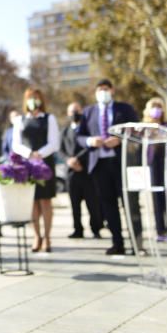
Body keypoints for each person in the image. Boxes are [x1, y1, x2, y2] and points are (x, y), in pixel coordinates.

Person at [77, 79, 140, 256]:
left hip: (122, 163)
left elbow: (137, 130)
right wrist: (91, 141)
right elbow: (80, 137)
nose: (102, 92)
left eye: (105, 89)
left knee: (130, 203)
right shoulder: (88, 112)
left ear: (112, 90)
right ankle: (117, 242)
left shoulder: (124, 109)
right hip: (100, 165)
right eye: (99, 90)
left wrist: (120, 139)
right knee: (108, 205)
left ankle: (137, 242)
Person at [11, 89, 60, 252]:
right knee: (32, 203)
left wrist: (40, 154)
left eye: (36, 98)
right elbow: (16, 144)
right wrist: (29, 154)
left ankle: (47, 237)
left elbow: (54, 143)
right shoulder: (20, 120)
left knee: (45, 201)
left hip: (45, 164)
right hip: (27, 165)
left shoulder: (49, 118)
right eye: (30, 98)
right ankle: (36, 236)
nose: (34, 101)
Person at [58, 102, 102, 239]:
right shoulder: (64, 131)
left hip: (86, 171)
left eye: (77, 111)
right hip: (71, 173)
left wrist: (78, 160)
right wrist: (69, 161)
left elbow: (90, 147)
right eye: (72, 111)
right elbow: (61, 150)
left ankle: (96, 228)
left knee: (92, 203)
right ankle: (78, 229)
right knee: (74, 204)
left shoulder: (88, 130)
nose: (75, 114)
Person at [143, 98, 167, 241]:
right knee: (157, 200)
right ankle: (160, 230)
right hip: (153, 166)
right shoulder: (144, 128)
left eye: (159, 107)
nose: (156, 110)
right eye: (153, 107)